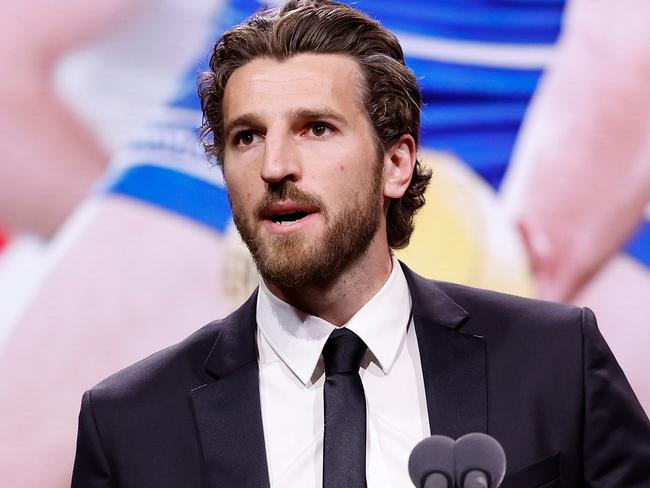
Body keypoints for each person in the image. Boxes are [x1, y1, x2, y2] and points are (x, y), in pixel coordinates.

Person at [71, 1, 650, 487]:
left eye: (314, 132)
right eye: (247, 141)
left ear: (399, 163)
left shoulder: (561, 354)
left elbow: (623, 50)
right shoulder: (119, 417)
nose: (275, 167)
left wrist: (515, 299)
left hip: (539, 59)